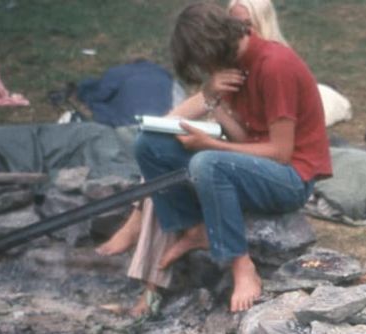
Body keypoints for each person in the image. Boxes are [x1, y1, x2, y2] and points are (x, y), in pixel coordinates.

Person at [127, 3, 331, 312]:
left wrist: (210, 144)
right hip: (258, 168)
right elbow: (245, 139)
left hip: (291, 179)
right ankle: (194, 229)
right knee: (149, 144)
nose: (205, 69)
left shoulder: (275, 65)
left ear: (213, 47)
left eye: (202, 62)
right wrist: (212, 98)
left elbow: (280, 153)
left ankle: (242, 265)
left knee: (206, 162)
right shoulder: (233, 65)